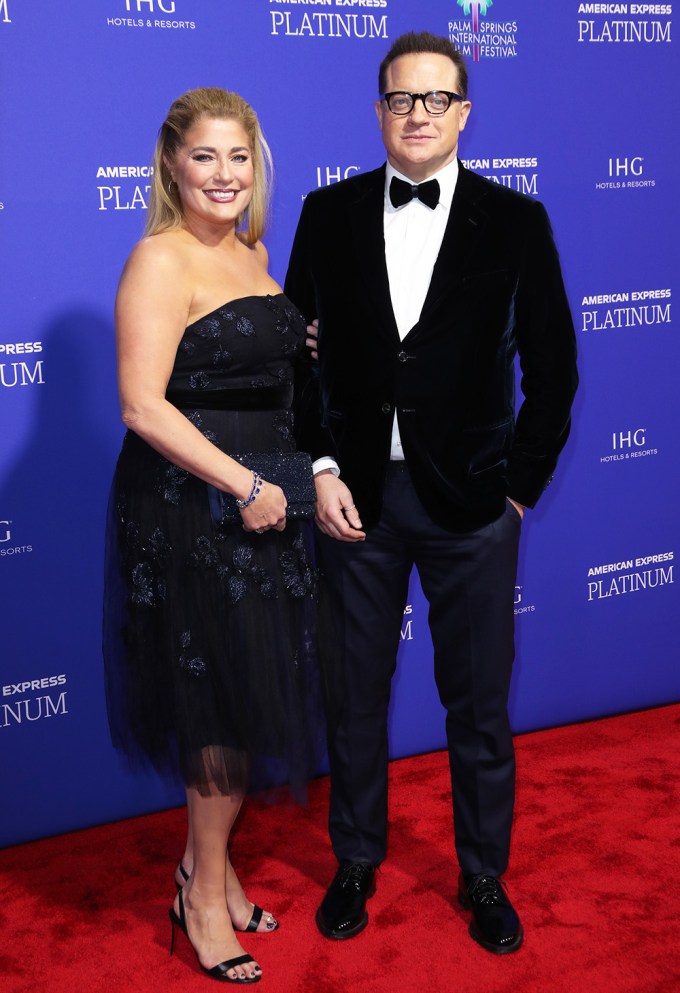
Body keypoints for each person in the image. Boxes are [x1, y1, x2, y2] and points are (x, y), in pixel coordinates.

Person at [285, 32, 578, 954]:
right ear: (378, 111)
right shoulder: (324, 214)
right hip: (355, 502)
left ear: (464, 112)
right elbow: (296, 364)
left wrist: (518, 493)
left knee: (479, 701)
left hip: (473, 507)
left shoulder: (517, 220)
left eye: (436, 100)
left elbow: (555, 369)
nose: (418, 115)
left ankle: (483, 870)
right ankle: (357, 859)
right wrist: (321, 468)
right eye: (401, 99)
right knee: (354, 696)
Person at [103, 87, 326, 984]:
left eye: (240, 157)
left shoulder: (254, 251)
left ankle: (212, 865)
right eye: (206, 157)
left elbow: (270, 388)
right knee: (213, 707)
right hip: (193, 506)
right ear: (171, 165)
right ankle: (200, 899)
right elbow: (142, 405)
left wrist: (300, 473)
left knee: (244, 696)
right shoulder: (160, 259)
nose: (225, 175)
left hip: (265, 507)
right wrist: (246, 485)